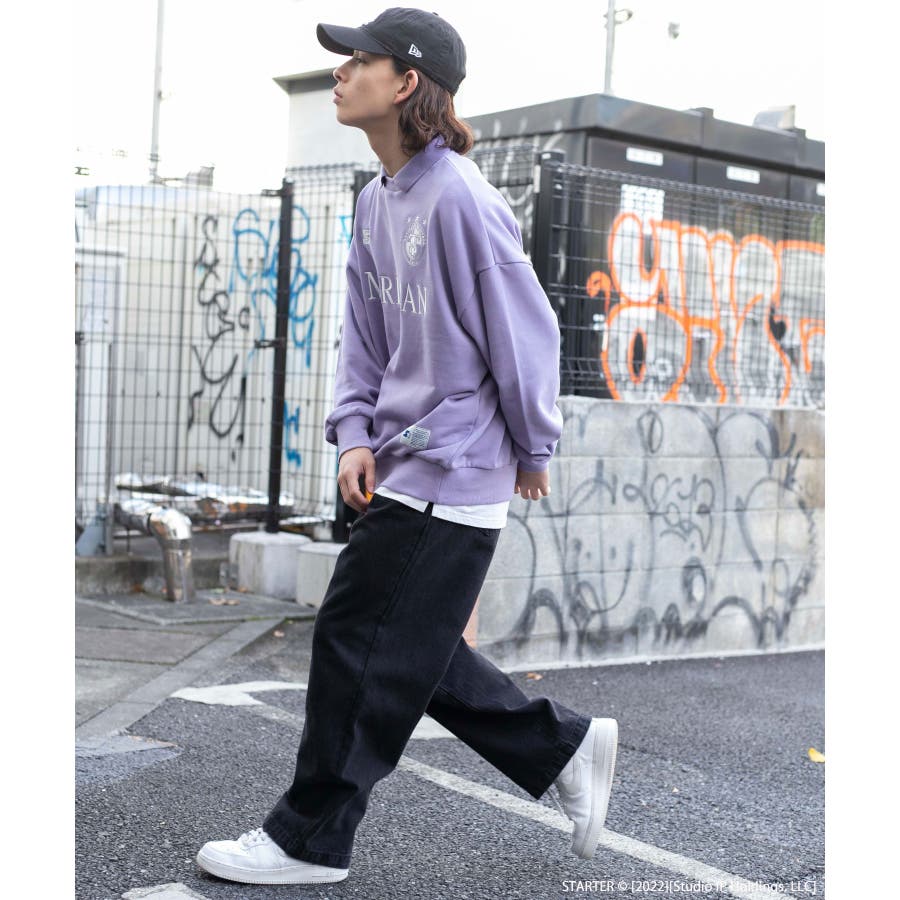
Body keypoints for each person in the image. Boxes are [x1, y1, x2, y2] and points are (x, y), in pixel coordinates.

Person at [196, 7, 618, 886]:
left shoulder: (462, 198)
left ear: (407, 83)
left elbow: (526, 335)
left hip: (455, 463)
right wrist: (354, 433)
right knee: (401, 648)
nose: (341, 73)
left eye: (360, 60)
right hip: (397, 460)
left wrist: (534, 448)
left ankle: (309, 841)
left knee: (356, 641)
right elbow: (363, 337)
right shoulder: (375, 201)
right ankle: (563, 747)